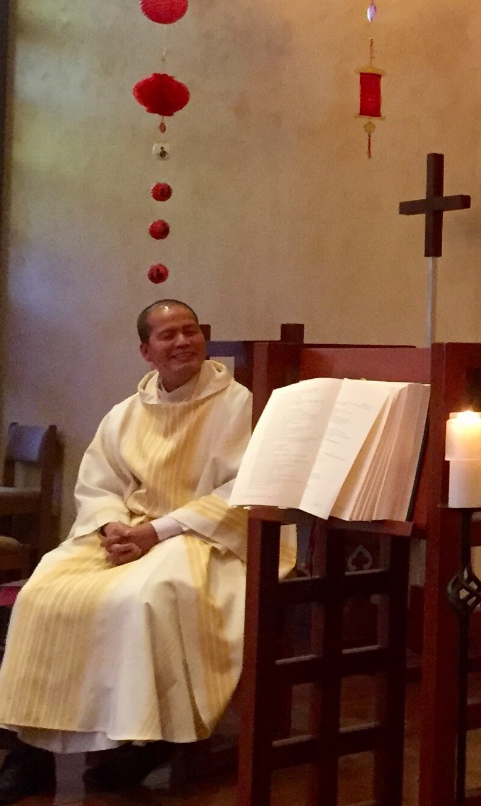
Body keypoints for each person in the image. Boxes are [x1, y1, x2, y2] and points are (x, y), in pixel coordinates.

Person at [0, 299, 296, 803]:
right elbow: (99, 483)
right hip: (128, 533)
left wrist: (157, 532)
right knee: (42, 593)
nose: (183, 341)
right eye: (168, 335)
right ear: (146, 351)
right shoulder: (126, 413)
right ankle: (30, 756)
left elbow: (243, 491)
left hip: (205, 537)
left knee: (145, 597)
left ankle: (143, 743)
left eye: (190, 331)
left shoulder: (239, 405)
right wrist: (114, 525)